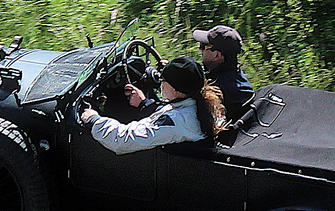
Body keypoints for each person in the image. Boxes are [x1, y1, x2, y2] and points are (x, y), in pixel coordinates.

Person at [78, 56, 225, 154]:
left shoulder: (176, 122)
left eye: (163, 80)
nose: (160, 83)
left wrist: (94, 120)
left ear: (176, 89)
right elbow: (168, 115)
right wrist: (144, 104)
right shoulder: (199, 105)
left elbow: (123, 140)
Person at [192, 25, 253, 114]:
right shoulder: (236, 76)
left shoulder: (216, 89)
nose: (200, 50)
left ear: (217, 55)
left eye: (203, 46)